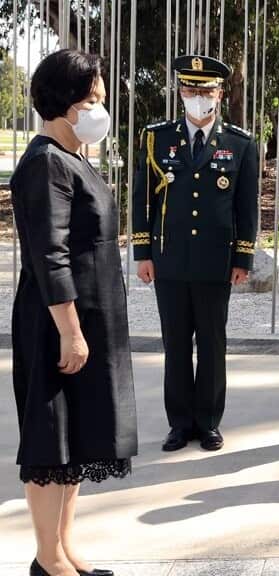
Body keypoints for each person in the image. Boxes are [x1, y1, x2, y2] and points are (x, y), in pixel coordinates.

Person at [10, 49, 137, 576]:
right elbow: (50, 253)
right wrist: (71, 332)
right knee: (50, 442)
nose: (98, 110)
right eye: (91, 101)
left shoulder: (76, 156)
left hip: (89, 317)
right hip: (57, 324)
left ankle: (63, 550)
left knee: (76, 440)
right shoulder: (44, 163)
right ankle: (46, 558)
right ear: (62, 103)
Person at [132, 55, 259, 452]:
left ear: (220, 93)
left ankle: (208, 422)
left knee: (212, 342)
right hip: (169, 258)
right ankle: (179, 423)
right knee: (175, 343)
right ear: (180, 92)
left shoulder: (240, 143)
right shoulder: (157, 138)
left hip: (214, 261)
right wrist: (142, 253)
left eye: (205, 90)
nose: (197, 97)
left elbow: (246, 207)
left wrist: (243, 259)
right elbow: (140, 200)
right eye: (190, 89)